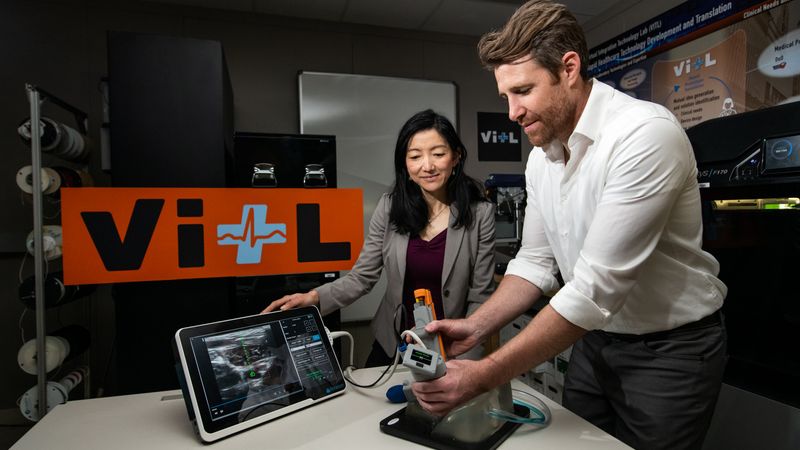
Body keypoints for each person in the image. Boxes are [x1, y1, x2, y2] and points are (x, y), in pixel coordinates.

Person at [411, 2, 728, 449]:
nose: (512, 112)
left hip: (669, 351)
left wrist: (485, 374)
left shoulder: (643, 135)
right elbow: (536, 262)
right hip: (596, 341)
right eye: (506, 97)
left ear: (569, 68)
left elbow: (594, 289)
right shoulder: (543, 156)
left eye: (523, 91)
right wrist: (477, 327)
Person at [262, 109, 496, 367]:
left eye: (438, 154)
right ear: (405, 165)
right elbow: (362, 277)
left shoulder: (480, 214)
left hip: (451, 347)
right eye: (415, 156)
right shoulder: (390, 207)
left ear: (456, 157)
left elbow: (480, 296)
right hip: (394, 342)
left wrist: (465, 357)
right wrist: (313, 298)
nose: (427, 166)